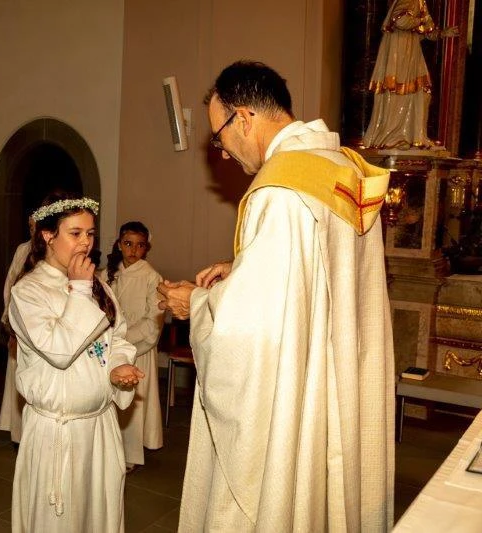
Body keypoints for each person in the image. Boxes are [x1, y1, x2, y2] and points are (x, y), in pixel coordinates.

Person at [157, 61, 395, 531]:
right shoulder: (340, 165)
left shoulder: (281, 189)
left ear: (244, 118)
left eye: (219, 137)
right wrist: (242, 266)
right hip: (338, 371)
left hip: (299, 386)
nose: (224, 154)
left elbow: (252, 331)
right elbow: (320, 270)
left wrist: (197, 305)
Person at [8, 193, 144, 532]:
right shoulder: (28, 292)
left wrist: (117, 366)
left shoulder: (99, 286)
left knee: (97, 516)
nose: (86, 242)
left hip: (99, 425)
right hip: (59, 431)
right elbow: (59, 350)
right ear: (47, 235)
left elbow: (117, 336)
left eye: (91, 233)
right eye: (75, 233)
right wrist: (80, 290)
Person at [103, 221, 164, 472]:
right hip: (110, 347)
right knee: (110, 400)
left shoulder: (151, 277)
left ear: (146, 248)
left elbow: (153, 320)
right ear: (119, 244)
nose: (133, 250)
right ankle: (108, 448)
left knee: (133, 405)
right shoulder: (108, 274)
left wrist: (124, 339)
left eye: (140, 245)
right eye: (128, 244)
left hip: (138, 350)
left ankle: (130, 454)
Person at [363, 0, 458, 149]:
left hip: (412, 51)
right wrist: (422, 20)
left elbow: (428, 31)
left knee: (423, 92)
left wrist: (443, 33)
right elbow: (399, 20)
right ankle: (393, 137)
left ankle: (416, 136)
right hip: (399, 50)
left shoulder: (420, 2)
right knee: (398, 92)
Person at [0, 216, 35, 444]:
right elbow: (10, 284)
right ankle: (18, 431)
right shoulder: (23, 249)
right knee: (18, 376)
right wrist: (9, 321)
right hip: (19, 322)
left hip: (38, 326)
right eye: (30, 226)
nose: (33, 231)